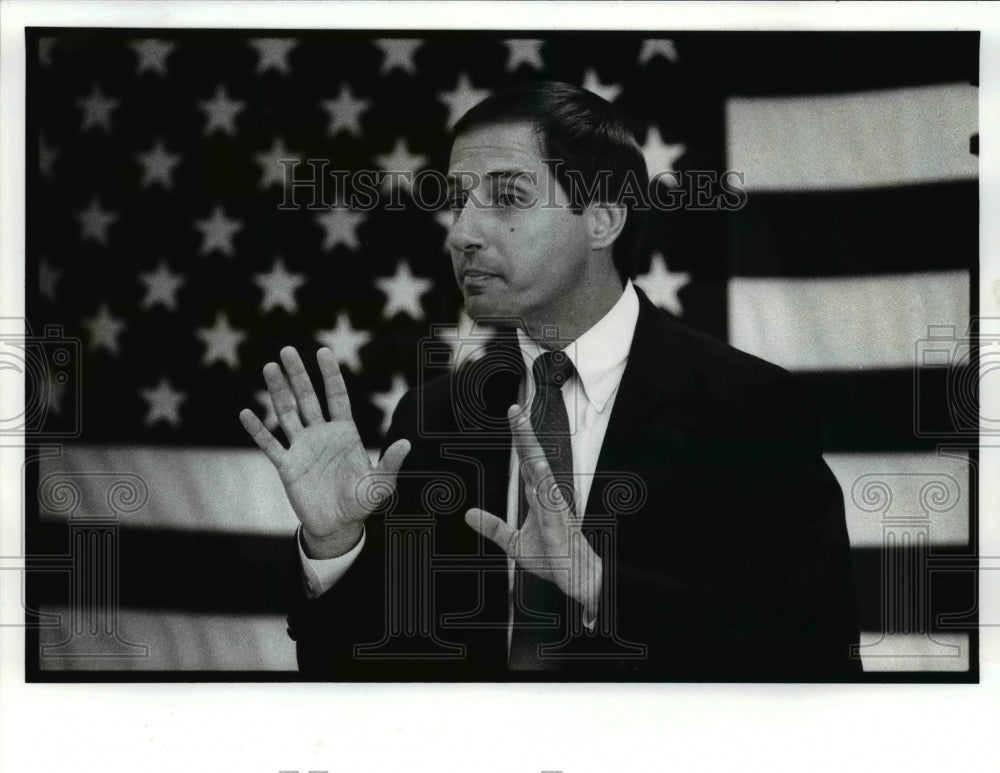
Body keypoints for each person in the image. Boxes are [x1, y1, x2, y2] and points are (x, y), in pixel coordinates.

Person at [239, 81, 863, 680]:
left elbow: (819, 662)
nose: (461, 235)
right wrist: (335, 546)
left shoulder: (750, 410)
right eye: (459, 201)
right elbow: (367, 677)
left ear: (602, 220)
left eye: (507, 198)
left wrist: (597, 587)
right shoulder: (433, 421)